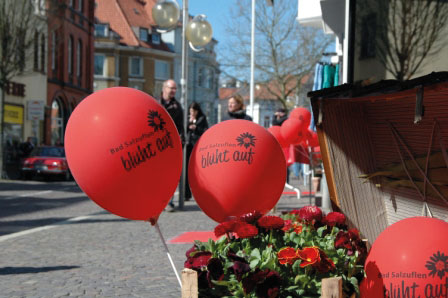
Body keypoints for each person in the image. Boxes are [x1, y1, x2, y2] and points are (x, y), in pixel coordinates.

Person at [158, 79, 185, 211]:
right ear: (164, 88)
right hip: (154, 145)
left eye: (175, 89)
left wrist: (182, 141)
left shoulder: (177, 107)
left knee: (169, 175)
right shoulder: (155, 103)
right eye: (171, 88)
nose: (173, 91)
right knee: (156, 175)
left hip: (169, 145)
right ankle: (156, 201)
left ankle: (168, 202)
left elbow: (180, 126)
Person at [185, 102, 209, 201]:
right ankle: (186, 193)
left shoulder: (202, 119)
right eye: (191, 111)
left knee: (197, 171)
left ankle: (201, 192)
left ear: (197, 111)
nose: (192, 113)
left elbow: (205, 131)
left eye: (194, 111)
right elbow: (183, 130)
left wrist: (197, 128)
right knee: (186, 170)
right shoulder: (187, 118)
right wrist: (188, 124)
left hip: (197, 147)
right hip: (188, 145)